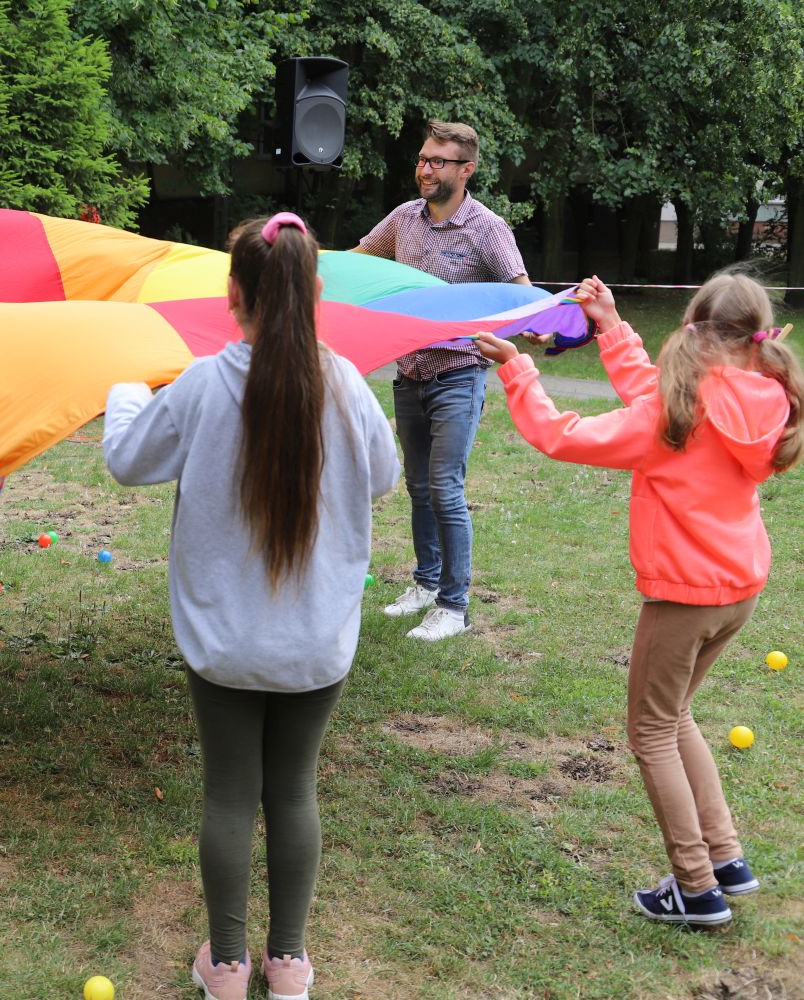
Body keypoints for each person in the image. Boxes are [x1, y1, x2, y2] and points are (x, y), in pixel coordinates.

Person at [104, 214, 399, 999]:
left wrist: (127, 386)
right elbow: (384, 476)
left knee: (230, 793)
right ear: (316, 293)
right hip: (314, 642)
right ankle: (289, 965)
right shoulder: (344, 384)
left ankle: (228, 967)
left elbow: (128, 460)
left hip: (224, 642)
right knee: (294, 791)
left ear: (233, 294)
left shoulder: (202, 384)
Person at [473, 271, 800, 927]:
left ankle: (696, 888)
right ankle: (725, 857)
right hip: (738, 592)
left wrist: (518, 372)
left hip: (685, 598)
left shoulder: (676, 411)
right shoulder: (762, 396)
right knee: (673, 715)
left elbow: (563, 435)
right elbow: (657, 400)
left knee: (650, 730)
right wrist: (610, 323)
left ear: (695, 327)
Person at [353, 120, 533, 641]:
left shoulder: (487, 227)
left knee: (445, 490)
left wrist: (540, 323)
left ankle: (454, 606)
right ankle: (427, 584)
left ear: (466, 169)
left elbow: (519, 292)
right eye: (421, 159)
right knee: (417, 488)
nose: (424, 169)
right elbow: (359, 261)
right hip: (408, 374)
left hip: (459, 376)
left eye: (436, 162)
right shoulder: (404, 219)